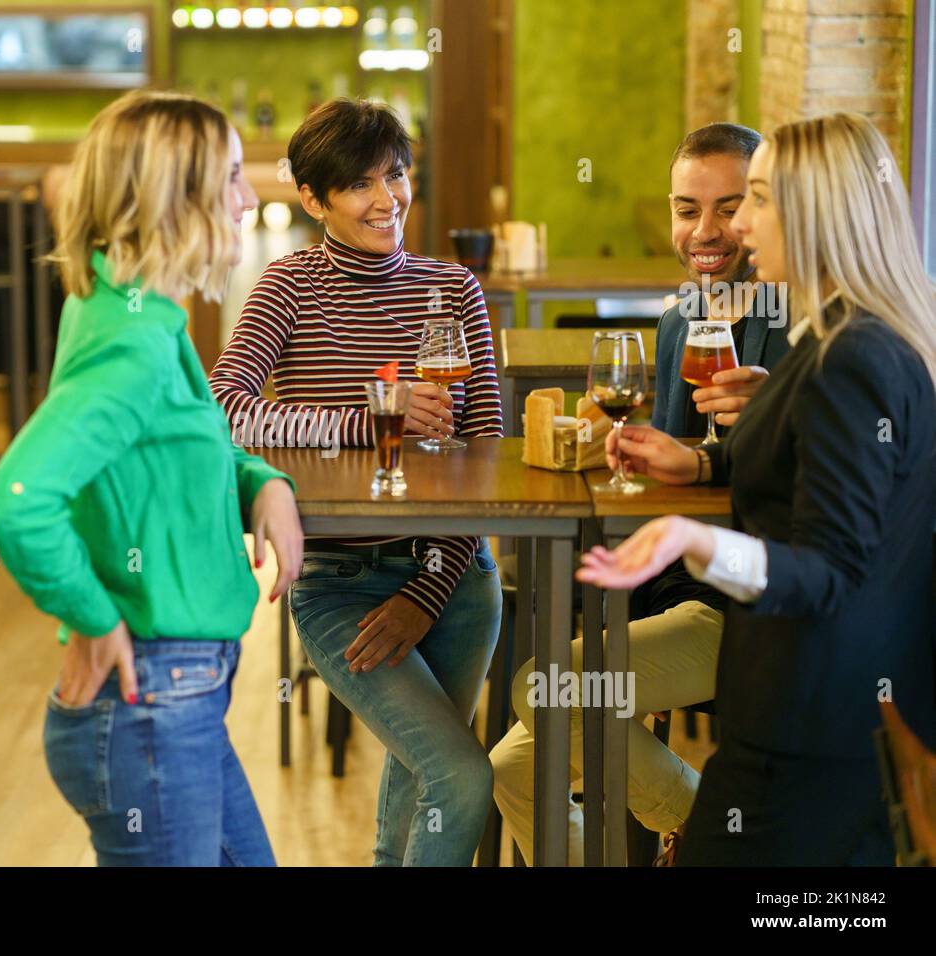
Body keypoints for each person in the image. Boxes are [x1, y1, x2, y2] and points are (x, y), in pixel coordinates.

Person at [577, 112, 936, 865]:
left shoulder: (851, 360)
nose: (740, 225)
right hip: (824, 712)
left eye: (758, 200)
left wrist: (697, 538)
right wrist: (701, 466)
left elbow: (831, 568)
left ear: (813, 214)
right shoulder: (846, 336)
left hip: (809, 717)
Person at [0, 91, 304, 867]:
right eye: (229, 178)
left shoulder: (134, 314)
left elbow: (170, 450)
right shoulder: (137, 345)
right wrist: (93, 617)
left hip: (174, 701)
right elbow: (15, 502)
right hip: (151, 705)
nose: (250, 197)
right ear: (174, 200)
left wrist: (261, 481)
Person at [210, 98, 504, 866]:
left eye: (397, 175)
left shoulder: (455, 289)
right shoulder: (288, 286)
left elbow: (488, 453)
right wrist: (375, 413)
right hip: (339, 580)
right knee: (460, 774)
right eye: (361, 185)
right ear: (313, 199)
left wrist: (428, 591)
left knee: (422, 778)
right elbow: (225, 410)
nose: (388, 200)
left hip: (457, 577)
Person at [490, 122, 790, 865]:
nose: (708, 231)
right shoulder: (680, 319)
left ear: (763, 210)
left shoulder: (797, 327)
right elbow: (670, 458)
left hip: (757, 608)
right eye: (687, 209)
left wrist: (711, 456)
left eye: (730, 207)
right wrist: (620, 442)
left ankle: (716, 832)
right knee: (511, 773)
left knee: (546, 688)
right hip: (679, 586)